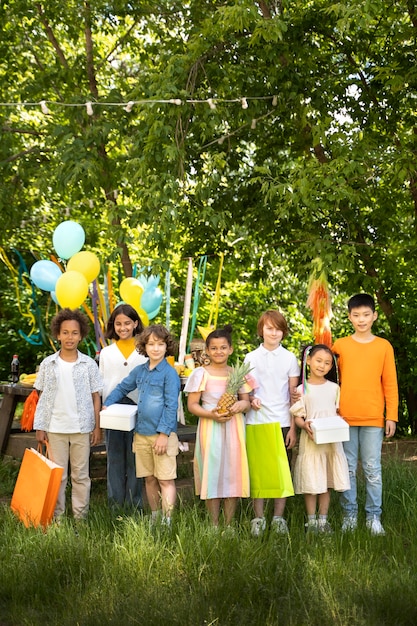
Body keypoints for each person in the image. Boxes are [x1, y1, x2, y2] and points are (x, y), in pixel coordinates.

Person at [332, 293, 398, 536]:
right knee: (347, 468)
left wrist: (391, 415)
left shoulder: (383, 346)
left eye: (366, 315)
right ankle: (349, 515)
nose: (361, 320)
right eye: (356, 315)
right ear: (349, 317)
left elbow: (390, 384)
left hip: (373, 419)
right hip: (343, 418)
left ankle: (373, 517)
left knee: (372, 468)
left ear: (375, 316)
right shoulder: (339, 346)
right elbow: (328, 380)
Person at [104, 324, 180, 525]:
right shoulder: (140, 371)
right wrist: (107, 404)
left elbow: (171, 405)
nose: (156, 348)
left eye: (160, 344)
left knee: (165, 479)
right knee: (149, 478)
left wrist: (164, 434)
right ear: (144, 347)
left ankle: (167, 520)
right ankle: (155, 515)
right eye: (151, 344)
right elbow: (123, 387)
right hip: (142, 434)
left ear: (167, 347)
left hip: (161, 436)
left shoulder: (169, 374)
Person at [34, 308, 103, 521]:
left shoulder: (89, 364)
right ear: (57, 334)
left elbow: (96, 398)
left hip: (82, 427)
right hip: (55, 428)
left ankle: (81, 519)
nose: (69, 337)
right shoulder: (48, 364)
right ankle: (57, 519)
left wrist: (97, 427)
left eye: (74, 333)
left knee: (81, 475)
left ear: (81, 335)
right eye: (65, 332)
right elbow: (42, 397)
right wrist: (40, 426)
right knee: (58, 475)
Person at [185, 325, 252, 527]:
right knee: (212, 470)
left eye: (223, 347)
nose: (219, 352)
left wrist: (241, 405)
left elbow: (246, 401)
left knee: (233, 472)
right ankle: (214, 524)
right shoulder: (200, 374)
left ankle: (229, 524)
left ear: (230, 349)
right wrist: (211, 414)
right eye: (213, 348)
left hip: (234, 428)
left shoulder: (237, 374)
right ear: (207, 351)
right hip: (210, 426)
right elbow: (192, 406)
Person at [244, 310, 299, 536]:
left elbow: (294, 396)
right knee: (258, 472)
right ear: (261, 330)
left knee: (281, 472)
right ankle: (258, 518)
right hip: (256, 421)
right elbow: (244, 391)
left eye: (277, 328)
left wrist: (294, 428)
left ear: (283, 332)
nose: (273, 332)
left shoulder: (290, 358)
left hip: (283, 422)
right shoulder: (250, 358)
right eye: (269, 328)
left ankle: (278, 518)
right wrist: (250, 399)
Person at [290, 344, 350, 534]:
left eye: (327, 363)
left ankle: (323, 521)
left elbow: (338, 411)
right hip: (311, 441)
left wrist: (340, 422)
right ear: (308, 361)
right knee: (311, 482)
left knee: (326, 482)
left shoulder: (334, 388)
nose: (322, 366)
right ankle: (311, 521)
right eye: (318, 361)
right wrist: (304, 425)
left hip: (331, 442)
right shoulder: (302, 389)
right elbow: (298, 416)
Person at [99, 304, 146, 512]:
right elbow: (102, 383)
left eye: (127, 323)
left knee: (136, 457)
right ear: (113, 326)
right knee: (115, 457)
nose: (123, 327)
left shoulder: (145, 350)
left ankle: (134, 504)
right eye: (118, 324)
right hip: (113, 410)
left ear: (135, 324)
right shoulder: (106, 353)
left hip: (140, 407)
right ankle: (115, 506)